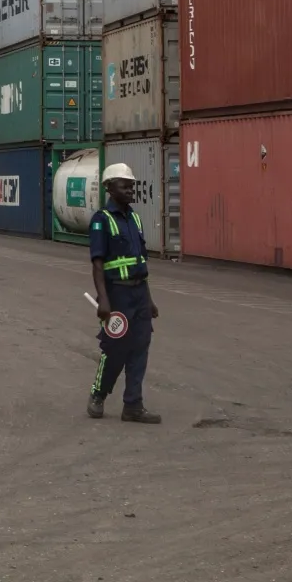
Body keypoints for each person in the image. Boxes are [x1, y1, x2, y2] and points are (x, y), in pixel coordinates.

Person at [86, 163, 161, 424]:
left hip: (139, 293)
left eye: (132, 185)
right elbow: (98, 263)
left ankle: (133, 406)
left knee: (140, 347)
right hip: (117, 294)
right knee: (115, 349)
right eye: (124, 185)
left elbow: (141, 262)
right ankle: (98, 394)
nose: (131, 189)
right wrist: (103, 298)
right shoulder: (101, 220)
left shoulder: (136, 218)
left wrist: (149, 300)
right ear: (108, 188)